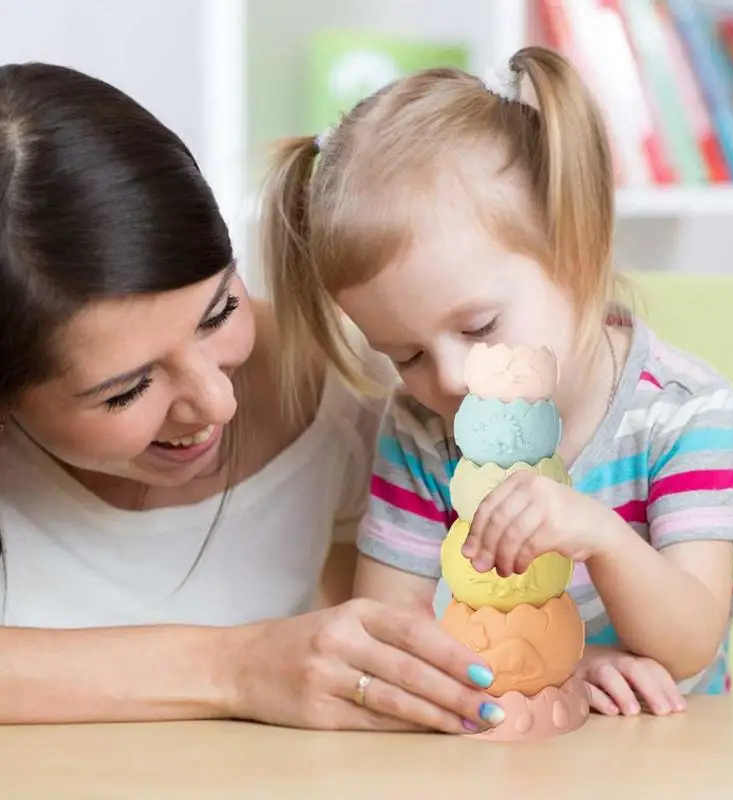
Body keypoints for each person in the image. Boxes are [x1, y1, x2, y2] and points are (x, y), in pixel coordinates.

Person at [262, 45, 733, 718]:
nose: (448, 378)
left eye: (478, 328)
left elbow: (690, 644)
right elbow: (393, 637)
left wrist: (601, 535)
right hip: (496, 741)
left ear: (578, 250)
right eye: (405, 355)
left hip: (662, 754)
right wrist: (566, 664)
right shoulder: (421, 433)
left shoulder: (680, 412)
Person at [0, 62, 507, 735]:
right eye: (129, 389)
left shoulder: (366, 378)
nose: (215, 402)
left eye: (218, 312)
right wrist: (234, 666)